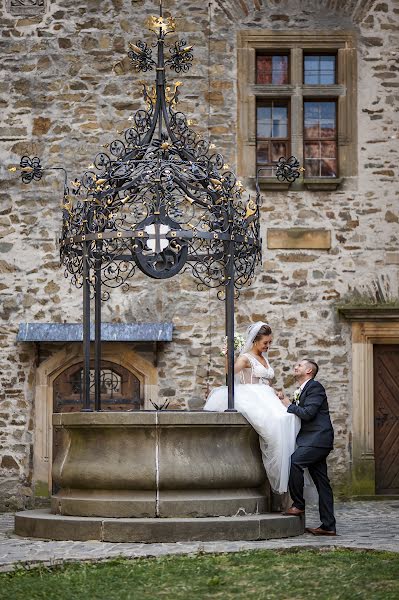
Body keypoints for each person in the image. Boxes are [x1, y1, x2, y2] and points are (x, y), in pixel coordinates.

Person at [203, 322, 300, 494]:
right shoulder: (246, 358)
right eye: (265, 343)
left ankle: (289, 476)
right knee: (276, 423)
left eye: (270, 342)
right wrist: (228, 354)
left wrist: (276, 392)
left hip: (266, 394)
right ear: (255, 341)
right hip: (252, 395)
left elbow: (266, 379)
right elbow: (230, 371)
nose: (268, 346)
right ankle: (278, 477)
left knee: (289, 419)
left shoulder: (264, 358)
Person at [279, 359, 336, 536]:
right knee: (322, 483)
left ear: (309, 370)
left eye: (300, 365)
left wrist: (289, 405)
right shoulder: (303, 390)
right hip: (312, 440)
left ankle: (298, 504)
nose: (295, 367)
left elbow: (308, 414)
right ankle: (328, 526)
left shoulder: (315, 387)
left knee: (295, 462)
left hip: (318, 439)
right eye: (295, 364)